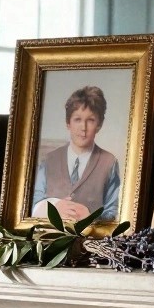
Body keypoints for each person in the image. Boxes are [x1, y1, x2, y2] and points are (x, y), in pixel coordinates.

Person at [31, 85, 121, 220]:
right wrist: (54, 207)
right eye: (77, 119)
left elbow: (114, 211)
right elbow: (33, 204)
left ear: (99, 125)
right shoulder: (49, 160)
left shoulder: (109, 162)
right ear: (68, 123)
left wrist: (90, 217)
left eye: (90, 120)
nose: (83, 128)